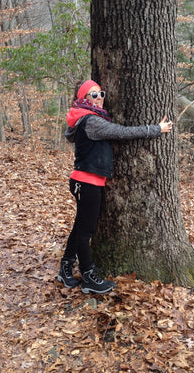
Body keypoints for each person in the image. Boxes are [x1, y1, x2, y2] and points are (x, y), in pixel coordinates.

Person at [57, 79, 173, 294]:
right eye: (93, 95)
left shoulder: (87, 118)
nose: (99, 97)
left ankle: (65, 268)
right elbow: (121, 132)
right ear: (84, 99)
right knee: (85, 231)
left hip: (85, 181)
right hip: (86, 183)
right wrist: (156, 129)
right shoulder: (91, 121)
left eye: (100, 93)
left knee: (80, 227)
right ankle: (88, 275)